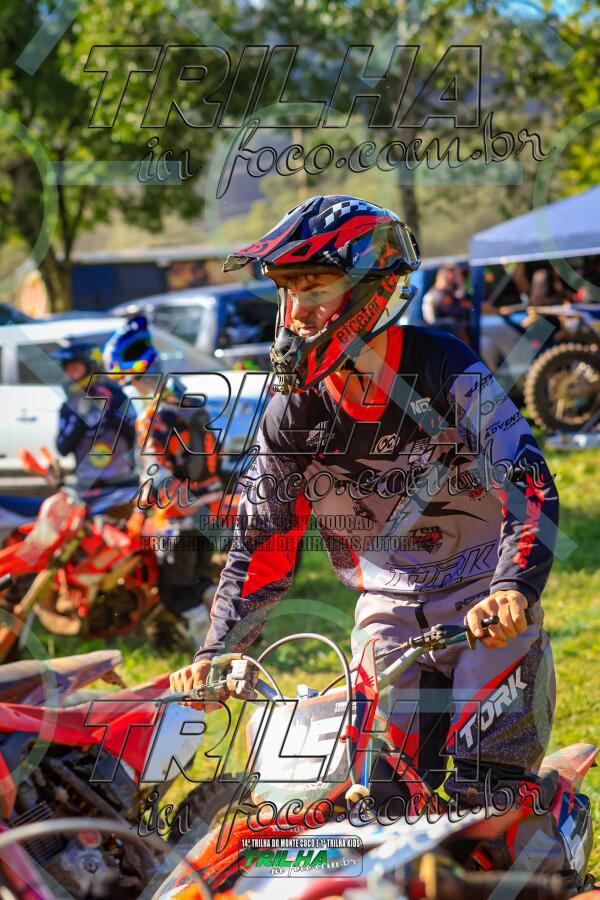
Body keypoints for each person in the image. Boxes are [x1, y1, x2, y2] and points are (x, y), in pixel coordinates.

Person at [170, 196, 568, 878]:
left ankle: (552, 859)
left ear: (372, 292)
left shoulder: (445, 368)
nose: (295, 313)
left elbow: (527, 479)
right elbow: (262, 542)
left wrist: (512, 587)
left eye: (314, 289)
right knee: (376, 810)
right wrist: (219, 651)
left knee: (489, 807)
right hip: (386, 613)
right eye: (287, 291)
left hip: (484, 603)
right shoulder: (291, 413)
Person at [102, 316, 223, 644]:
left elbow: (156, 475)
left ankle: (209, 654)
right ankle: (234, 632)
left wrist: (139, 513)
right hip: (208, 512)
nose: (131, 390)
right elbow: (215, 459)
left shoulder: (151, 418)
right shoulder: (193, 406)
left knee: (176, 591)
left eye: (130, 383)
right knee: (201, 580)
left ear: (138, 379)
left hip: (177, 518)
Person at [52, 341, 136, 489]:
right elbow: (62, 448)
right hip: (87, 485)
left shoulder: (116, 397)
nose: (71, 375)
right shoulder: (69, 407)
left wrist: (109, 413)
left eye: (75, 369)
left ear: (91, 367)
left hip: (122, 482)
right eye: (68, 370)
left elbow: (136, 435)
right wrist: (80, 418)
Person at [422, 263, 472, 343]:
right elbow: (458, 311)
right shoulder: (439, 294)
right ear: (449, 275)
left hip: (443, 330)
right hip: (439, 331)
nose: (461, 277)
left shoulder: (447, 292)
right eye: (459, 274)